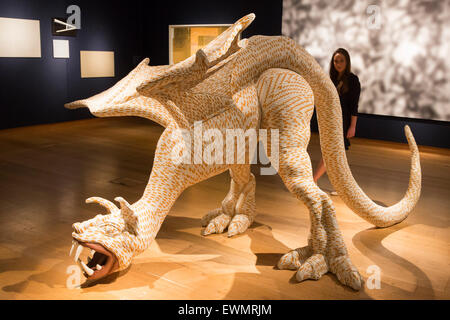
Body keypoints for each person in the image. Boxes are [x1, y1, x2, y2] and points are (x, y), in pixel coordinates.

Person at [313, 48, 361, 194]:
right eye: (336, 61)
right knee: (334, 155)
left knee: (331, 154)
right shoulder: (332, 79)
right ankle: (341, 187)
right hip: (331, 121)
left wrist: (352, 126)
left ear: (347, 62)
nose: (338, 64)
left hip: (343, 122)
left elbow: (354, 106)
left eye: (341, 61)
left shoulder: (353, 80)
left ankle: (313, 181)